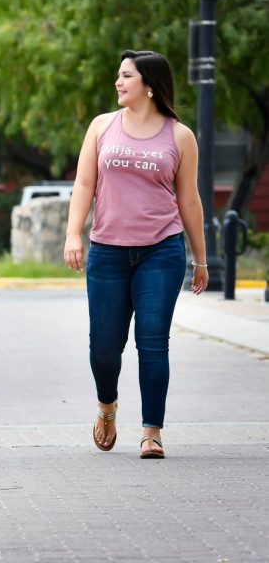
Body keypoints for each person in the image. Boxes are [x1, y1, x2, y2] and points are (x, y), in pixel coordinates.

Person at [64, 50, 208, 459]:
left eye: (126, 76)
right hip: (108, 252)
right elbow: (83, 185)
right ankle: (107, 407)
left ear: (148, 84)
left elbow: (190, 200)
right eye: (118, 76)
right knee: (105, 347)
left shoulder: (179, 136)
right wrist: (74, 234)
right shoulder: (102, 127)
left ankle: (152, 431)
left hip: (161, 252)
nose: (118, 82)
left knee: (153, 343)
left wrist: (201, 259)